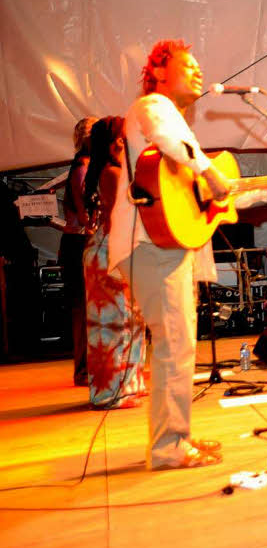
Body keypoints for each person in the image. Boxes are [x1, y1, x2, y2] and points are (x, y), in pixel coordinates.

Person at [107, 40, 267, 470]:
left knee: (178, 345)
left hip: (165, 246)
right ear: (158, 73)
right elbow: (172, 142)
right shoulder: (152, 106)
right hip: (148, 243)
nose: (197, 72)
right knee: (175, 345)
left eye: (198, 66)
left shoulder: (182, 146)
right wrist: (210, 171)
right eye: (186, 66)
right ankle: (170, 448)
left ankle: (177, 440)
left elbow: (214, 201)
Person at [81, 116, 148, 409]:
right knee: (113, 324)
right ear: (113, 143)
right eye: (123, 137)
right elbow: (117, 215)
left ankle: (130, 384)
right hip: (108, 251)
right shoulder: (110, 172)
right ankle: (110, 391)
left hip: (118, 250)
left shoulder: (118, 170)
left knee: (132, 319)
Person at [60, 117, 97, 386]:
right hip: (79, 243)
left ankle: (88, 368)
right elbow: (85, 217)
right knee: (83, 309)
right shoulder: (82, 169)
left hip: (80, 243)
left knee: (87, 308)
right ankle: (83, 370)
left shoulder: (87, 167)